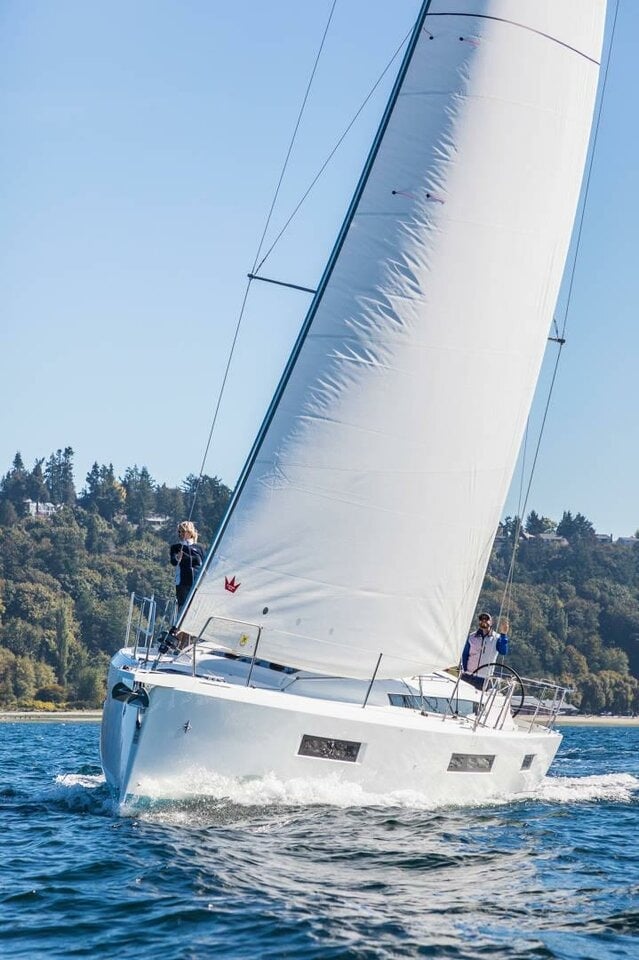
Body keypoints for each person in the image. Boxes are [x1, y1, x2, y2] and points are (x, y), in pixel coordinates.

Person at [461, 612, 509, 689]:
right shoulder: (471, 637)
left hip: (485, 679)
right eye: (481, 619)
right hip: (468, 676)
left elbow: (503, 651)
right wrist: (465, 671)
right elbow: (464, 655)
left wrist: (503, 634)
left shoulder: (497, 638)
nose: (484, 621)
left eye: (486, 619)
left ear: (491, 622)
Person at [170, 520, 205, 612]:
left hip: (197, 584)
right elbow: (173, 562)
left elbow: (204, 564)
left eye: (183, 531)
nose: (181, 534)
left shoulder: (199, 548)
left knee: (196, 610)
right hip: (182, 583)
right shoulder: (176, 547)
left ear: (190, 532)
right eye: (179, 531)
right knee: (183, 609)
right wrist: (178, 558)